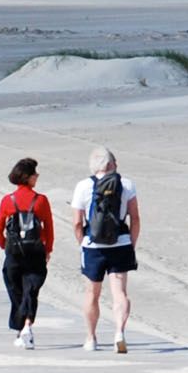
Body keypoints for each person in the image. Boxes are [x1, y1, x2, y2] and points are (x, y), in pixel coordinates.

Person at [71, 148, 140, 351]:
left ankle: (91, 338)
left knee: (92, 293)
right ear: (110, 165)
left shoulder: (83, 186)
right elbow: (135, 218)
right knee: (120, 292)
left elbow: (77, 222)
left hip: (93, 247)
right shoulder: (126, 184)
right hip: (121, 244)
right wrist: (131, 244)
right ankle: (119, 331)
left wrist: (82, 243)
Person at [0, 157, 56, 350]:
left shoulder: (7, 200)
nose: (37, 176)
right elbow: (49, 229)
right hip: (35, 250)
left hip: (14, 252)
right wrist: (48, 250)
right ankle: (26, 325)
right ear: (28, 177)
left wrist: (5, 246)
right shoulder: (41, 200)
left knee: (15, 289)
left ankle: (22, 328)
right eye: (35, 173)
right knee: (31, 290)